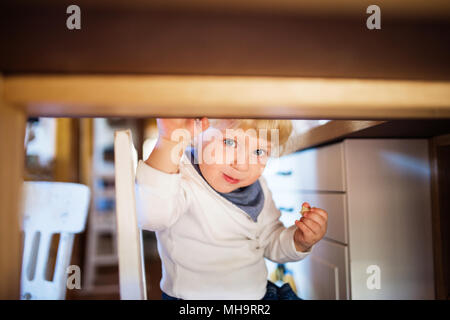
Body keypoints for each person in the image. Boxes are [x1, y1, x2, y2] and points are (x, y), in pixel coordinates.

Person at [135, 118, 328, 299]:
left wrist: (298, 241)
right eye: (229, 142)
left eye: (259, 152)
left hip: (259, 293)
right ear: (197, 132)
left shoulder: (259, 186)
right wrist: (169, 141)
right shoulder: (179, 174)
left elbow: (270, 240)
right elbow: (151, 216)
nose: (242, 165)